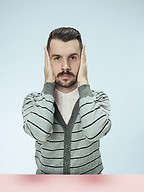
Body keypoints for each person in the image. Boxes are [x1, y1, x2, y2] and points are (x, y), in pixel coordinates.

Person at [22, 27, 111, 174]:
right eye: (57, 58)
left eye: (73, 57)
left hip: (91, 189)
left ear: (82, 59)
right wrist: (48, 83)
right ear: (47, 60)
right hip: (46, 189)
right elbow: (41, 133)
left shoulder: (98, 99)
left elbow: (93, 132)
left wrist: (84, 81)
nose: (65, 67)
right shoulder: (33, 101)